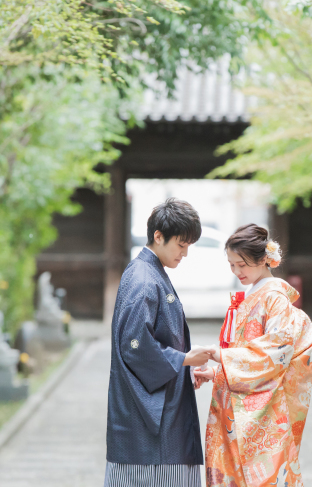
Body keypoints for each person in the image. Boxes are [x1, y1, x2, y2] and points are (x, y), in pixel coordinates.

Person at [194, 224, 312, 487]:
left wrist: (222, 357)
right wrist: (218, 370)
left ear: (264, 259)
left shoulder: (274, 298)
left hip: (260, 412)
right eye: (231, 265)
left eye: (242, 264)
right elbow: (246, 349)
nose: (237, 272)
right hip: (234, 403)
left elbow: (276, 353)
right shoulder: (253, 294)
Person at [105, 198, 216, 487]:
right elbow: (135, 346)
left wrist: (186, 367)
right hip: (150, 427)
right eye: (181, 245)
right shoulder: (144, 279)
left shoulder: (148, 273)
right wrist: (184, 359)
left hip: (161, 407)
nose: (186, 253)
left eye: (188, 245)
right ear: (158, 236)